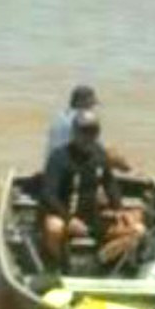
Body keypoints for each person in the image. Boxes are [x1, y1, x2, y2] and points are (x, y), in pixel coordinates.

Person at [40, 109, 130, 265]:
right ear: (74, 131)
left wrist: (119, 208)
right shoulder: (59, 157)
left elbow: (109, 182)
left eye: (93, 131)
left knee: (137, 230)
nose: (88, 136)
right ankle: (60, 265)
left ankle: (98, 261)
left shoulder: (99, 153)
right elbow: (48, 194)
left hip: (91, 216)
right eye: (84, 131)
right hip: (63, 214)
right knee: (53, 228)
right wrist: (69, 220)